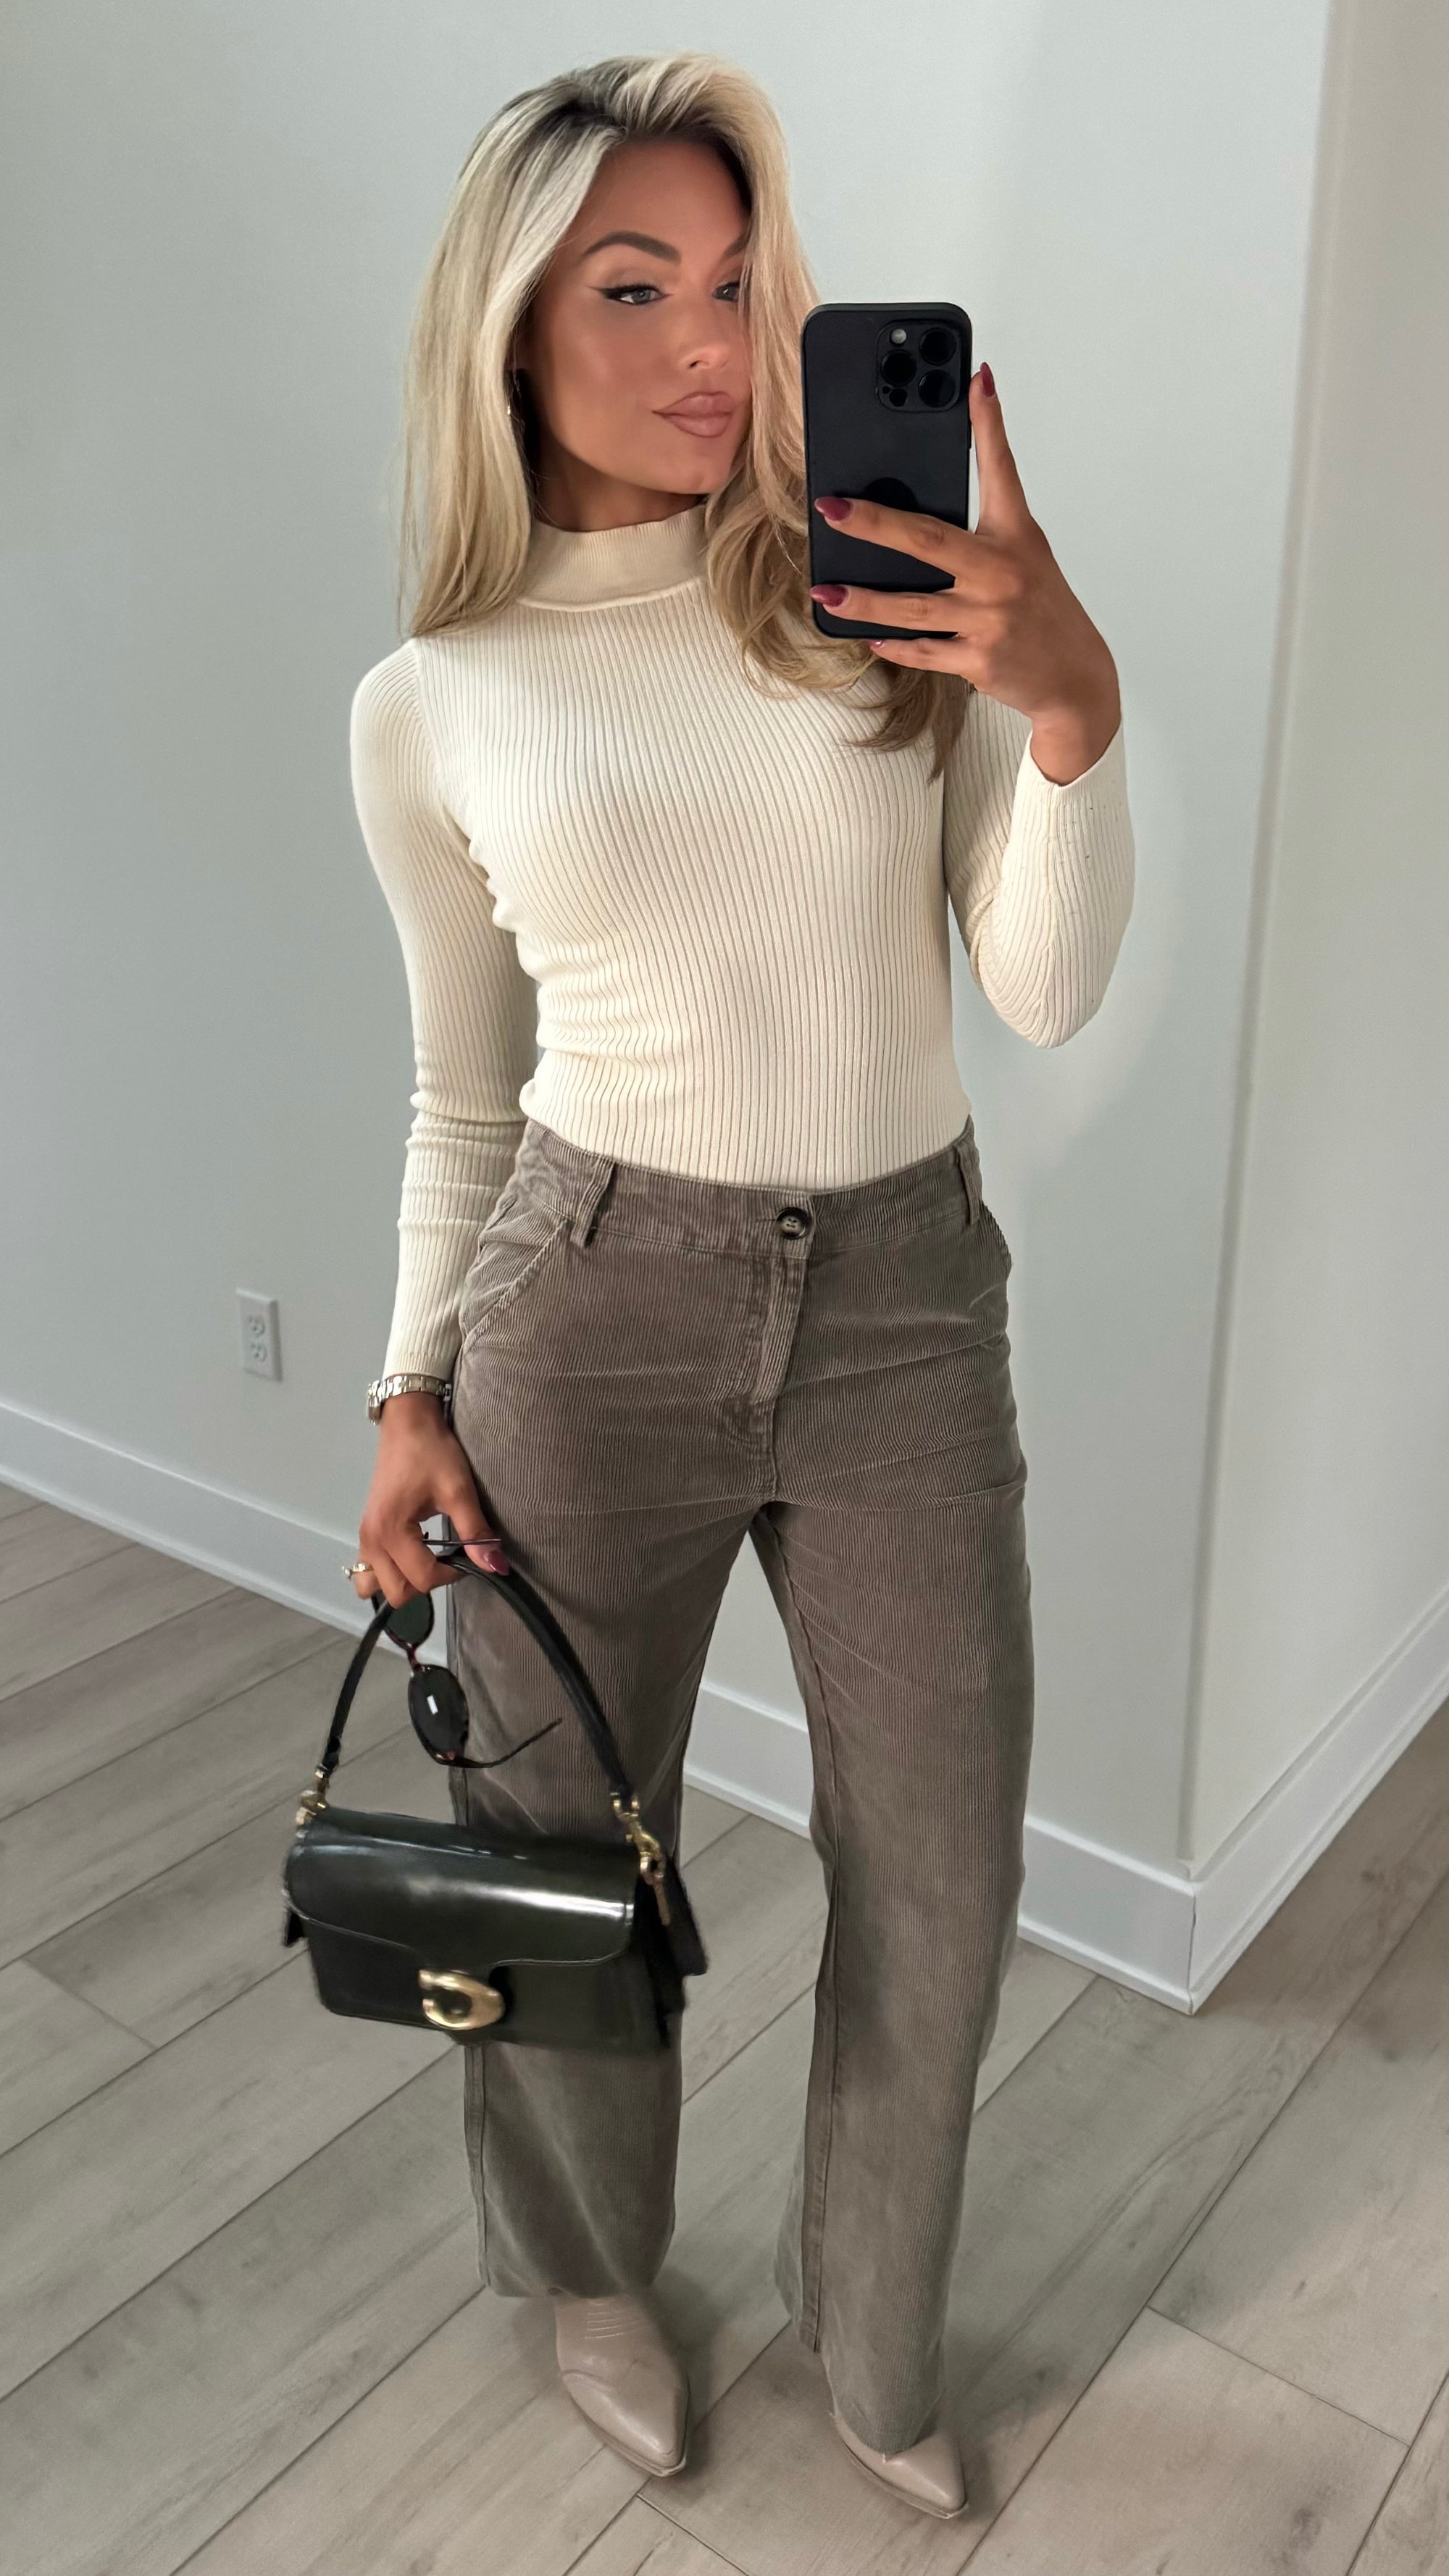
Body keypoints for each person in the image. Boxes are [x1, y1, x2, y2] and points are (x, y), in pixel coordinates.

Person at [346, 49, 1133, 2521]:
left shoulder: (865, 591)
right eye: (635, 287)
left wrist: (1069, 705)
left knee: (946, 1861)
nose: (711, 343)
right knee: (565, 1852)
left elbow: (1043, 989)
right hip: (587, 1305)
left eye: (734, 281)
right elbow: (464, 1098)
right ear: (510, 325)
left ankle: (871, 2331)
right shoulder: (433, 704)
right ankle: (590, 2274)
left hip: (904, 1305)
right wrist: (405, 1386)